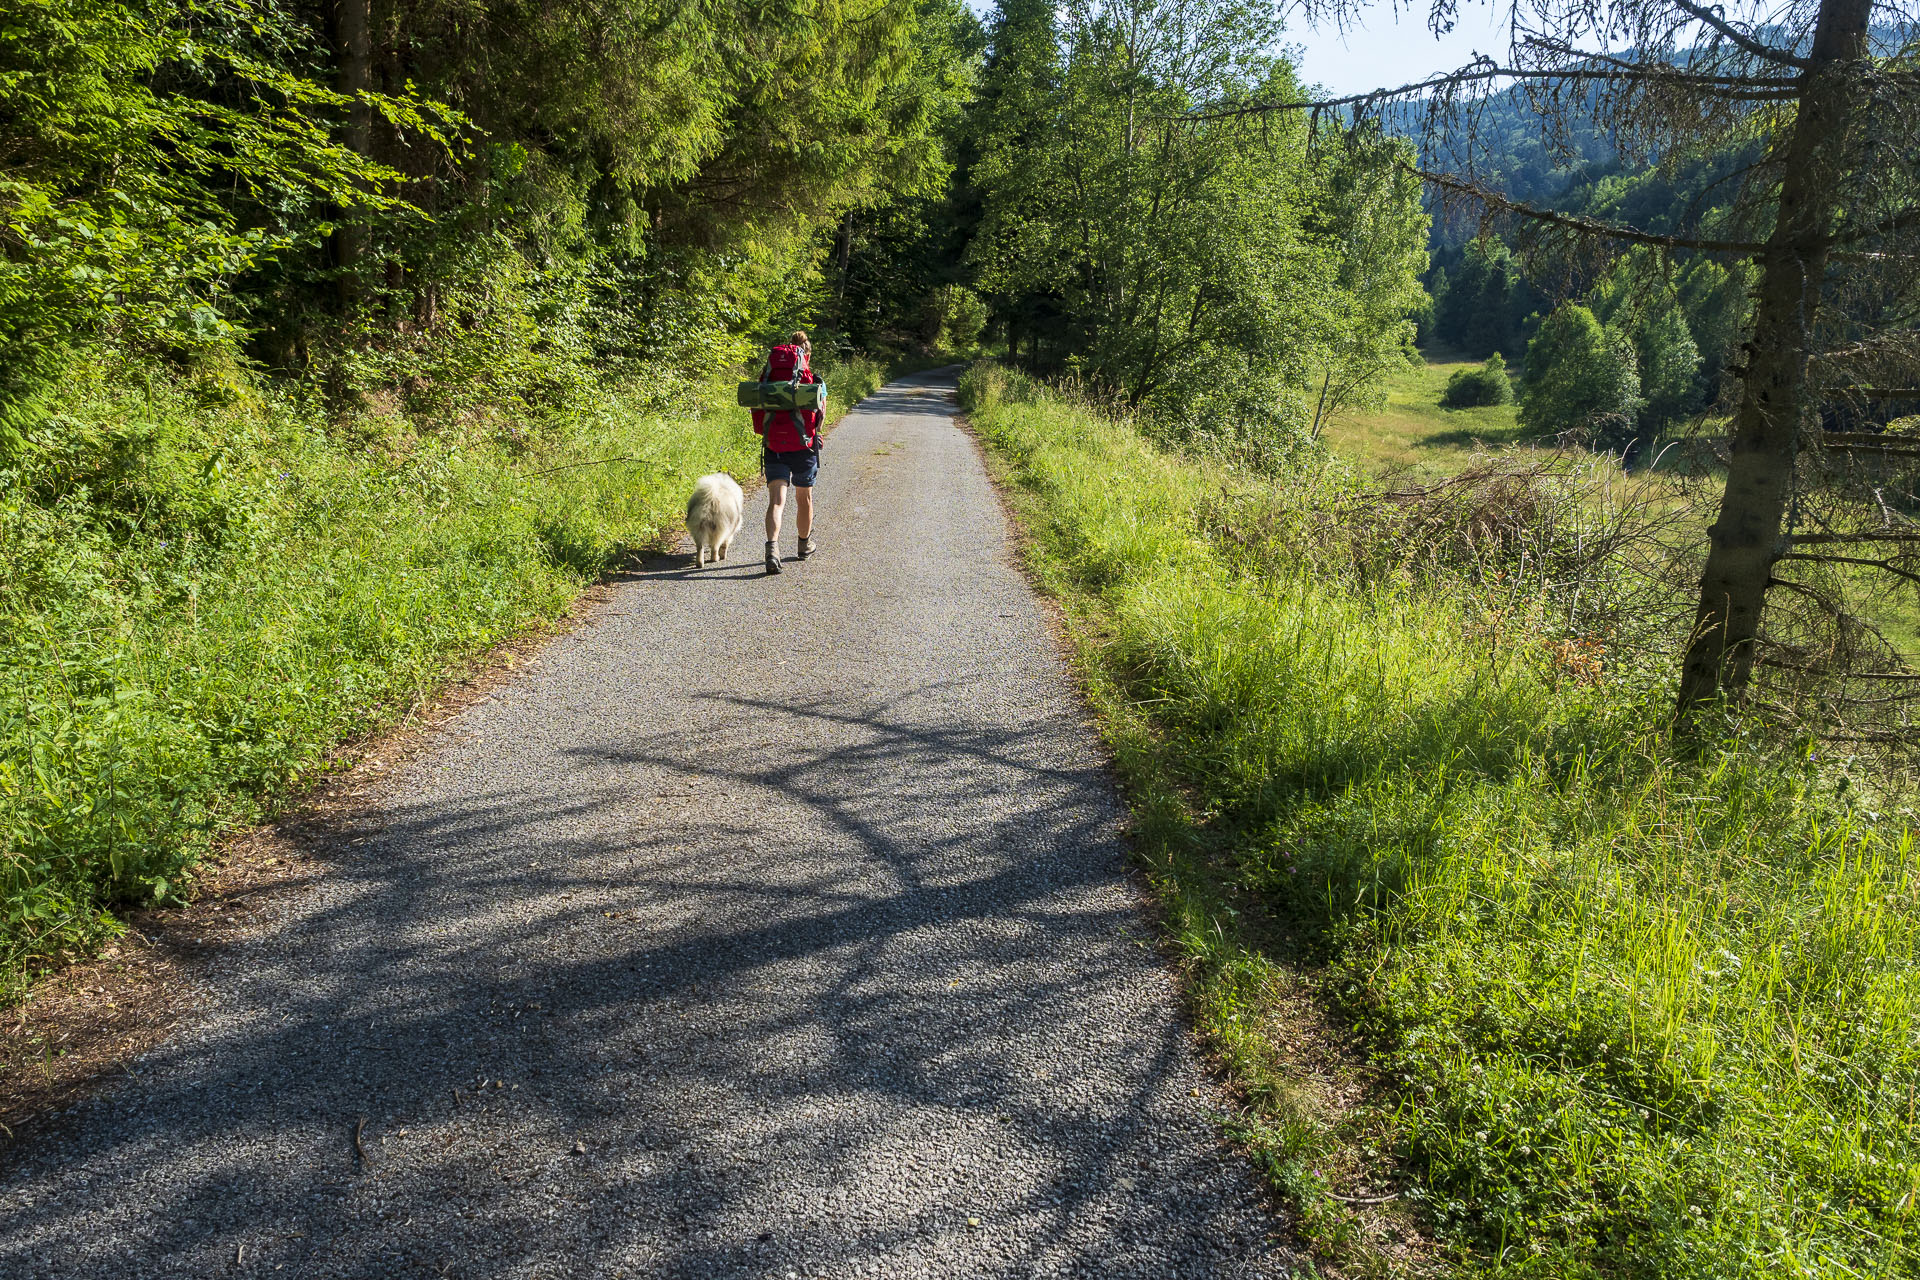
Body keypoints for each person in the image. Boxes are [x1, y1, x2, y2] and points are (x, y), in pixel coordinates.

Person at [751, 329, 824, 575]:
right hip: (803, 447)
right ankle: (804, 545)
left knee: (776, 501)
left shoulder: (770, 377)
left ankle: (772, 549)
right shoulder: (814, 381)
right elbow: (819, 416)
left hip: (774, 445)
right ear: (807, 357)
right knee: (804, 498)